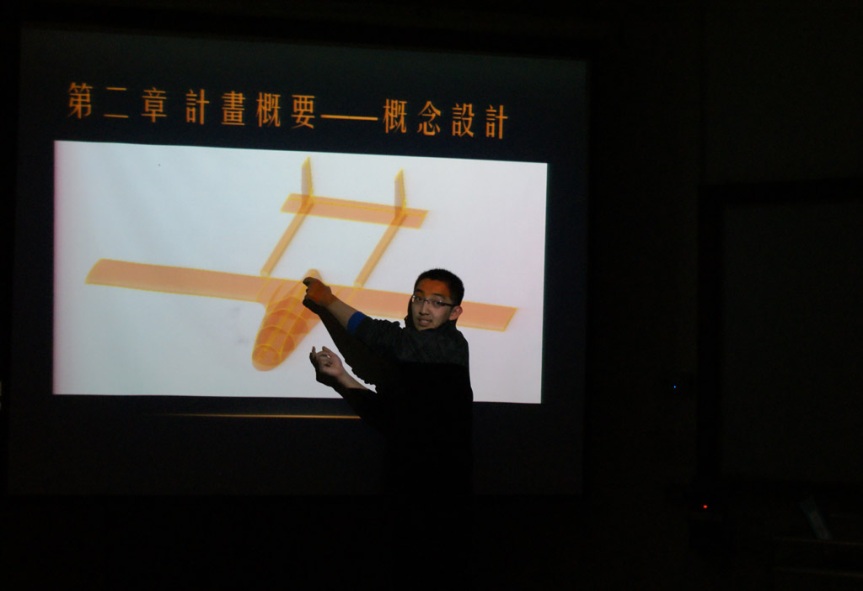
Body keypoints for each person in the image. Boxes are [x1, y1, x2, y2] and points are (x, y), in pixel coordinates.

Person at [303, 269, 473, 495]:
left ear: (455, 312)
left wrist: (328, 300)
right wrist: (340, 377)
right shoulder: (411, 358)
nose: (424, 309)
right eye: (419, 298)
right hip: (402, 476)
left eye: (437, 303)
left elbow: (379, 336)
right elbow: (388, 417)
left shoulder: (448, 346)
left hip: (442, 482)